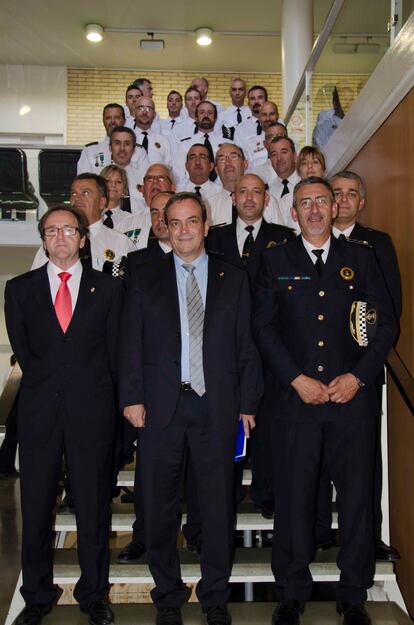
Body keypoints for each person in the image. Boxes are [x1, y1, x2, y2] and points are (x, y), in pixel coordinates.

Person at [253, 176, 396, 625]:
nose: (314, 210)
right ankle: (291, 591)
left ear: (335, 208)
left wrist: (357, 377)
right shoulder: (274, 259)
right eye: (304, 203)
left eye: (321, 201)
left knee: (355, 499)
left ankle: (353, 593)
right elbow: (263, 328)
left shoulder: (363, 258)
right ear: (292, 213)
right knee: (294, 498)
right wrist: (295, 378)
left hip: (351, 401)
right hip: (295, 403)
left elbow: (384, 325)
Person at [119, 191, 263, 625]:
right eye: (174, 222)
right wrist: (132, 397)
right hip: (161, 408)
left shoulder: (233, 276)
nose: (183, 230)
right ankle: (167, 594)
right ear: (164, 225)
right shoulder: (143, 276)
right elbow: (130, 343)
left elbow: (245, 345)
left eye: (191, 221)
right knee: (159, 508)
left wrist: (248, 404)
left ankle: (215, 595)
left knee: (218, 507)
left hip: (216, 407)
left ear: (206, 224)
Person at [5, 205, 123, 625]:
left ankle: (94, 593)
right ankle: (37, 594)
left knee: (93, 507)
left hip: (92, 412)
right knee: (36, 506)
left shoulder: (108, 290)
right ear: (43, 239)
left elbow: (115, 355)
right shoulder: (18, 290)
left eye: (68, 230)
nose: (60, 238)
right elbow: (26, 352)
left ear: (83, 239)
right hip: (39, 413)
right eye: (51, 231)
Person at [324, 170, 402, 562]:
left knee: (365, 468)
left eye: (351, 193)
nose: (343, 199)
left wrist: (361, 371)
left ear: (361, 202)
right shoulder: (305, 243)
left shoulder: (375, 245)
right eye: (336, 193)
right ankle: (321, 532)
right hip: (316, 375)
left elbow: (389, 311)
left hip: (360, 375)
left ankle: (369, 539)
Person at [31, 174, 136, 272]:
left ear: (102, 202)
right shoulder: (56, 243)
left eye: (85, 193)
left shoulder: (120, 243)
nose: (77, 198)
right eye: (73, 193)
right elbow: (36, 282)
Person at [208, 144, 283, 227]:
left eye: (233, 157)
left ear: (245, 164)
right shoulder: (209, 207)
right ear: (216, 169)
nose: (228, 163)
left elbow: (280, 236)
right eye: (222, 159)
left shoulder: (266, 201)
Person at [115, 164, 176, 248]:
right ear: (142, 189)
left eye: (161, 178)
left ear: (173, 188)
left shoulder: (183, 221)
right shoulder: (124, 225)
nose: (155, 182)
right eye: (149, 179)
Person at [77, 103, 126, 174]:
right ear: (103, 121)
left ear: (124, 121)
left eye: (117, 117)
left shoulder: (137, 150)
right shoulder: (90, 151)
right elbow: (83, 180)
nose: (112, 121)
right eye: (108, 118)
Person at [268, 137, 301, 233]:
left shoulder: (306, 185)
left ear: (295, 156)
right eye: (274, 154)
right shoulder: (267, 190)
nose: (279, 158)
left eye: (284, 152)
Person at [100, 165, 131, 230]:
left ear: (124, 190)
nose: (113, 185)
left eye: (118, 182)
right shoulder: (89, 217)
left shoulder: (130, 220)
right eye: (107, 181)